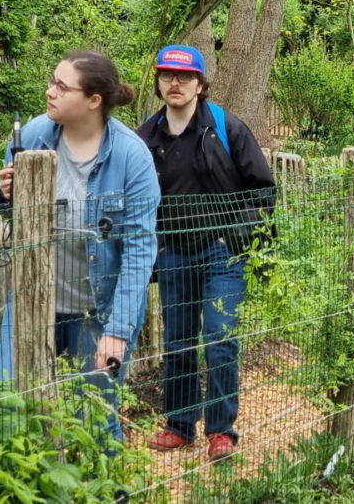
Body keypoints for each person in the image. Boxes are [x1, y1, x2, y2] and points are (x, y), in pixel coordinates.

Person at [0, 50, 160, 443]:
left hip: (95, 312)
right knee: (6, 405)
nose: (50, 91)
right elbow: (8, 208)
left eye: (61, 86)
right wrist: (5, 195)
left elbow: (139, 251)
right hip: (35, 300)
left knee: (96, 418)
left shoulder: (131, 157)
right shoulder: (33, 135)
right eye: (52, 81)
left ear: (93, 101)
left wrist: (118, 331)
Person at [136, 45, 276, 461]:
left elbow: (263, 188)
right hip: (175, 251)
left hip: (223, 253)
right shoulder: (146, 136)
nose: (174, 83)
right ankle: (179, 425)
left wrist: (234, 234)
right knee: (178, 341)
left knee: (219, 336)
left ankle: (221, 430)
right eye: (166, 75)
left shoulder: (225, 127)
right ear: (160, 82)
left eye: (184, 77)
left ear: (200, 84)